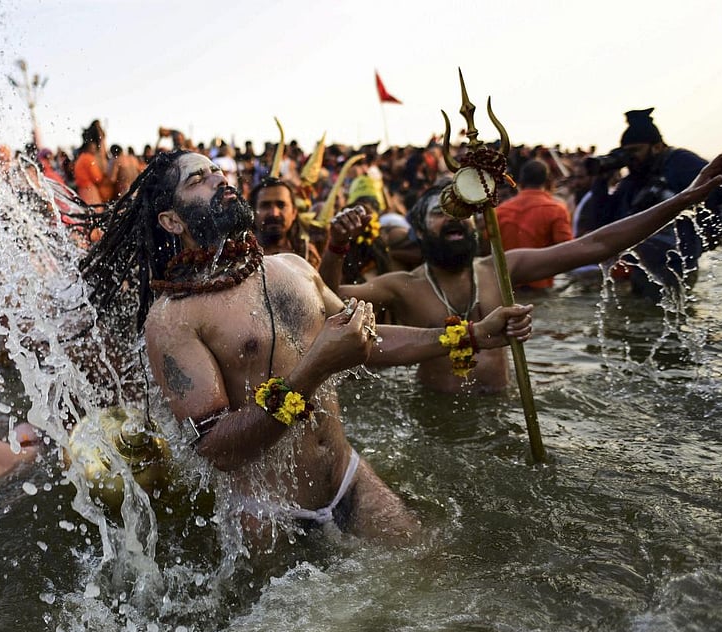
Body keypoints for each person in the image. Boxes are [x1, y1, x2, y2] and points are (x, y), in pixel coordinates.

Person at [80, 150, 533, 543]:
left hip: (345, 477)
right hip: (267, 514)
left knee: (434, 573)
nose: (219, 178)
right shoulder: (174, 317)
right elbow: (215, 448)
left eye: (217, 171)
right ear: (172, 220)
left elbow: (367, 341)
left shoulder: (293, 267)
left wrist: (474, 335)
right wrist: (314, 368)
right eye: (197, 180)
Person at [320, 152, 722, 394]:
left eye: (461, 214)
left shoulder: (503, 267)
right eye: (439, 214)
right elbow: (328, 301)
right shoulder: (402, 286)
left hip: (503, 413)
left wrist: (686, 197)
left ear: (479, 224)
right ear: (421, 229)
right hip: (438, 421)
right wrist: (336, 247)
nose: (453, 220)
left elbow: (597, 245)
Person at [586, 108, 722, 300]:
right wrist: (600, 182)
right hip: (639, 264)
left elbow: (720, 189)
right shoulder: (632, 180)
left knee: (668, 317)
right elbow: (603, 222)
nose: (632, 158)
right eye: (627, 153)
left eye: (636, 151)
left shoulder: (680, 162)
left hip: (676, 262)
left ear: (657, 146)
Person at [497, 159, 573, 289]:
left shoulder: (499, 211)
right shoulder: (556, 210)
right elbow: (568, 252)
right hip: (540, 287)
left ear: (520, 181)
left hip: (506, 288)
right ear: (548, 181)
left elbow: (487, 249)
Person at [249, 176, 321, 268]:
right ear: (253, 212)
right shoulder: (240, 255)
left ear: (294, 212)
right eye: (265, 206)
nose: (274, 213)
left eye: (281, 205)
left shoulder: (307, 254)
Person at [73, 120, 114, 208]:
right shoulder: (89, 158)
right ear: (91, 145)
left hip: (83, 189)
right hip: (89, 189)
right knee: (96, 211)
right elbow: (97, 178)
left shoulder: (82, 157)